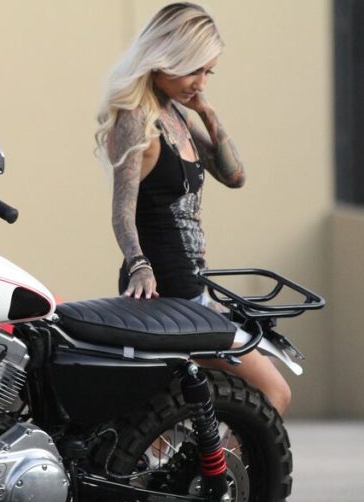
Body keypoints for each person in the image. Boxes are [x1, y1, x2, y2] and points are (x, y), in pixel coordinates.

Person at [95, 2, 291, 415]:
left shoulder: (177, 116)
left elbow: (235, 176)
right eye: (193, 70)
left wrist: (209, 114)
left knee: (167, 411)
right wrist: (139, 265)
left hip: (190, 287)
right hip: (161, 290)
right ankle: (227, 462)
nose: (200, 83)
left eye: (208, 73)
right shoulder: (136, 120)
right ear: (164, 58)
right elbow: (121, 211)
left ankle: (198, 460)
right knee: (274, 391)